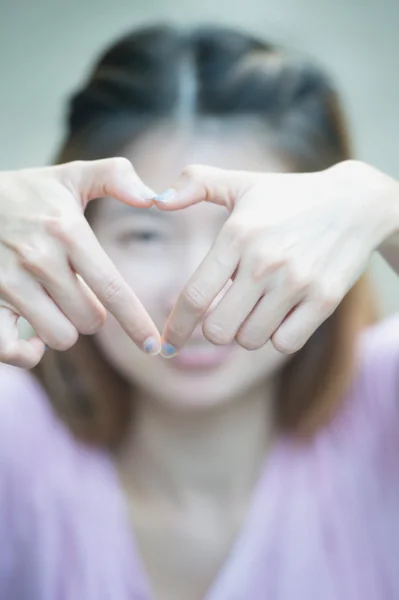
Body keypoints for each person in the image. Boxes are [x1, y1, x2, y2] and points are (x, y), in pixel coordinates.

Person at [1, 24, 399, 600]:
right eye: (144, 236)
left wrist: (386, 206)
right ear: (71, 238)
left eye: (248, 240)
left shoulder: (382, 398)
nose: (195, 293)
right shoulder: (17, 430)